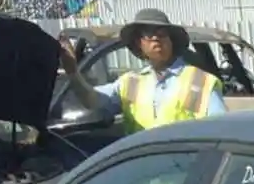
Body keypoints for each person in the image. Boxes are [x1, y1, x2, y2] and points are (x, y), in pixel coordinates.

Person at [60, 8, 226, 132]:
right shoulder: (131, 83)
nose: (156, 38)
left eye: (162, 34)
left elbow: (221, 131)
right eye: (148, 34)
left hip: (186, 175)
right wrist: (73, 73)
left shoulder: (198, 82)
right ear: (139, 43)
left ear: (171, 41)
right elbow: (92, 100)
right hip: (142, 175)